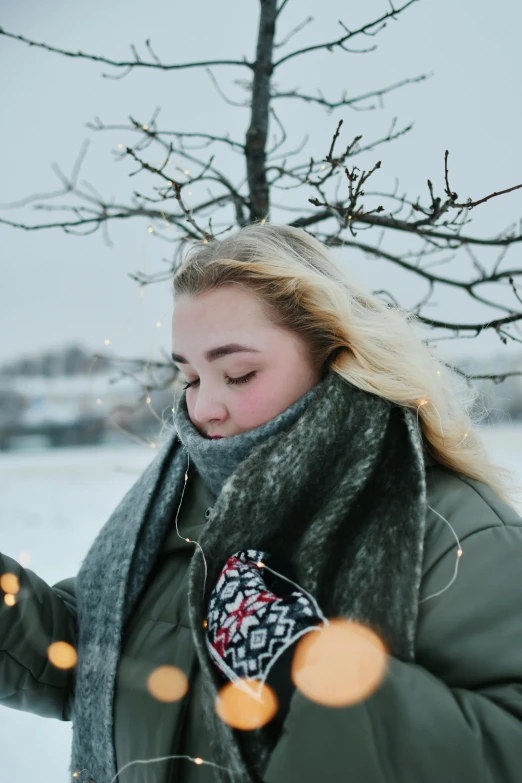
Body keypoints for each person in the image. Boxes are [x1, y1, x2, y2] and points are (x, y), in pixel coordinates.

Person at [1, 223, 521, 783]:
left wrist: (306, 669)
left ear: (334, 354)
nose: (204, 408)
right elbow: (90, 651)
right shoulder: (178, 510)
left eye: (238, 374)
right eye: (191, 376)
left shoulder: (453, 532)